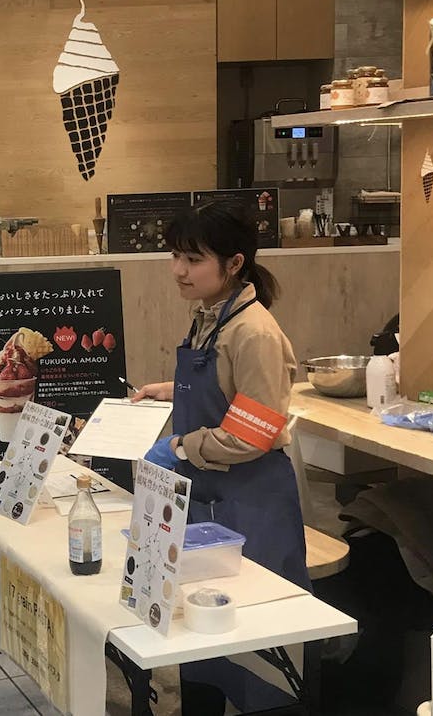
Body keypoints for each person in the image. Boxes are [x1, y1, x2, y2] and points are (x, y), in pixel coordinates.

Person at [130, 201, 309, 715]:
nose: (178, 270)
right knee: (200, 633)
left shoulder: (255, 332)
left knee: (257, 643)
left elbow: (251, 435)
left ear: (234, 264)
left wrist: (179, 446)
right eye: (175, 256)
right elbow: (224, 388)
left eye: (193, 259)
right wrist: (173, 389)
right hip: (207, 497)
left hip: (252, 503)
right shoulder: (210, 316)